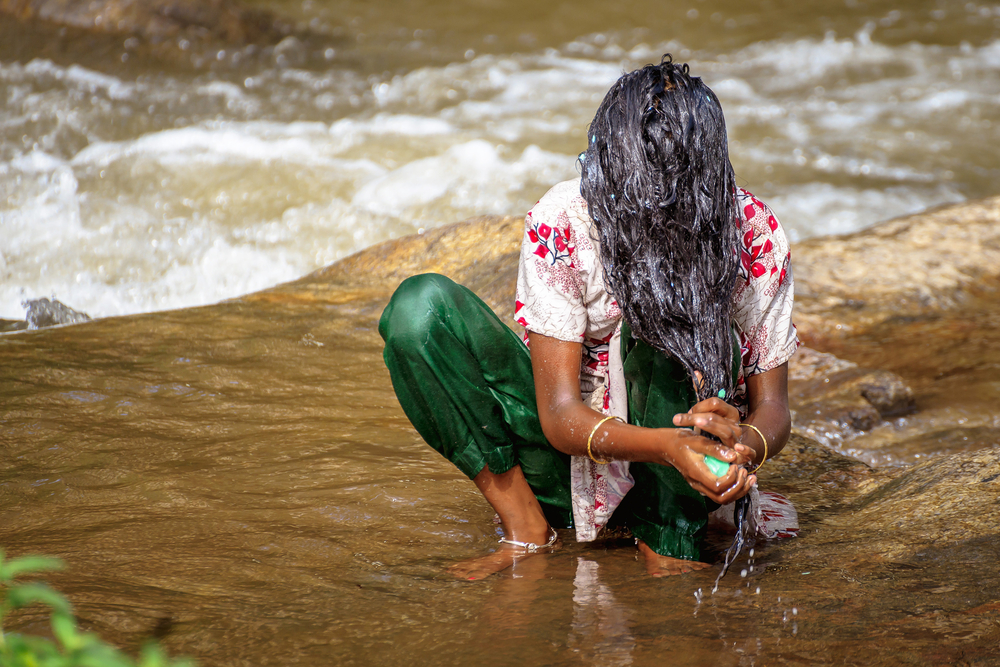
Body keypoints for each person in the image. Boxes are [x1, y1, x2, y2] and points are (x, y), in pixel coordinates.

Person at [378, 56, 798, 579]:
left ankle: (669, 548)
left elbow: (774, 408)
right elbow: (557, 413)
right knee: (420, 311)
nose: (653, 209)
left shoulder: (750, 232)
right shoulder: (564, 220)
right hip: (572, 460)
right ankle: (526, 528)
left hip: (689, 478)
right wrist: (667, 447)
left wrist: (742, 450)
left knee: (666, 317)